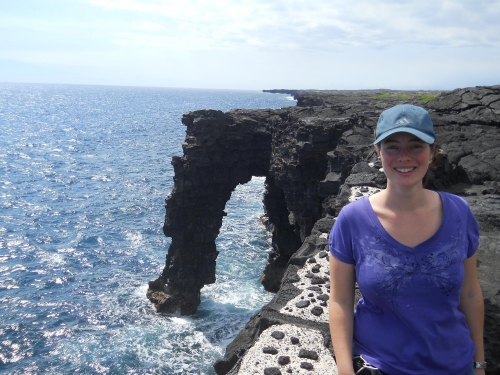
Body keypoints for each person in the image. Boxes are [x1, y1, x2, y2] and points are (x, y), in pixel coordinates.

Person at [328, 104, 486, 375]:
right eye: (392, 146)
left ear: (432, 151)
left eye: (416, 146)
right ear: (378, 151)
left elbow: (470, 293)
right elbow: (339, 301)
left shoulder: (459, 213)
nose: (404, 157)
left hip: (456, 366)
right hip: (379, 365)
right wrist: (345, 370)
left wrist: (479, 364)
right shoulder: (352, 219)